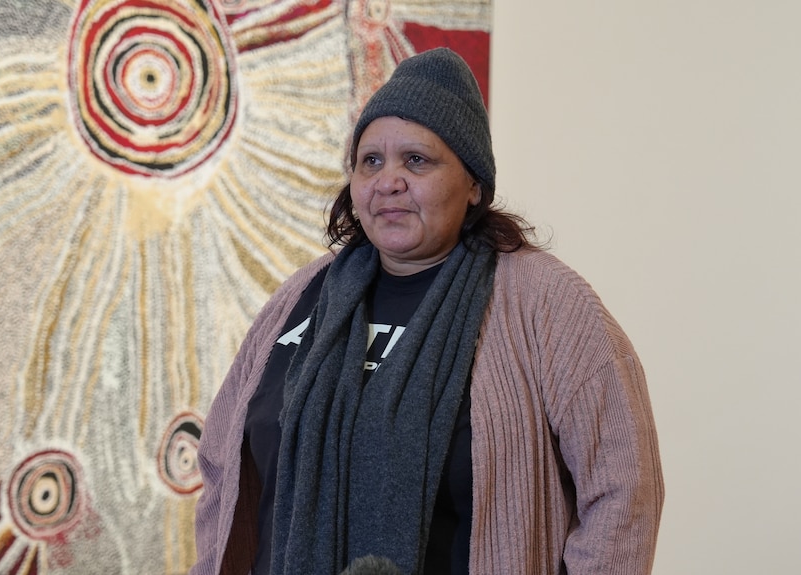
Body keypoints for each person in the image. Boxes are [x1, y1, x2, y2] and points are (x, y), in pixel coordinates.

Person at [190, 47, 664, 575]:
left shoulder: (546, 304)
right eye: (371, 161)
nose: (388, 180)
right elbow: (222, 466)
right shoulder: (302, 297)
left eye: (416, 160)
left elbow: (624, 491)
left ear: (473, 185)